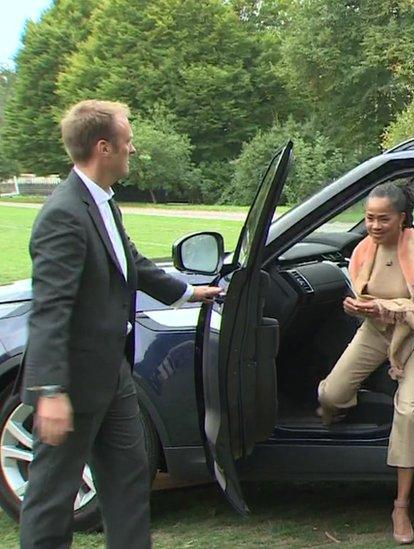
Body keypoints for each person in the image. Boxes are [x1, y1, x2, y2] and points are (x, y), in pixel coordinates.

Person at [20, 99, 222, 549]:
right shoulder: (63, 215)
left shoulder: (104, 203)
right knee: (53, 498)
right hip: (72, 383)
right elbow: (50, 309)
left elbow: (129, 262)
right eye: (128, 141)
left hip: (113, 374)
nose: (134, 149)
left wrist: (187, 291)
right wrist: (49, 392)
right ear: (103, 146)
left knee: (130, 481)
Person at [316, 182, 414, 545]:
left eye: (382, 219)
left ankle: (401, 506)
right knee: (331, 394)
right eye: (369, 218)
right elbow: (363, 296)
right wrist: (356, 307)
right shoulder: (362, 249)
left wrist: (389, 308)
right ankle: (337, 412)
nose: (373, 226)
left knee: (407, 410)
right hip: (375, 331)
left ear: (402, 219)